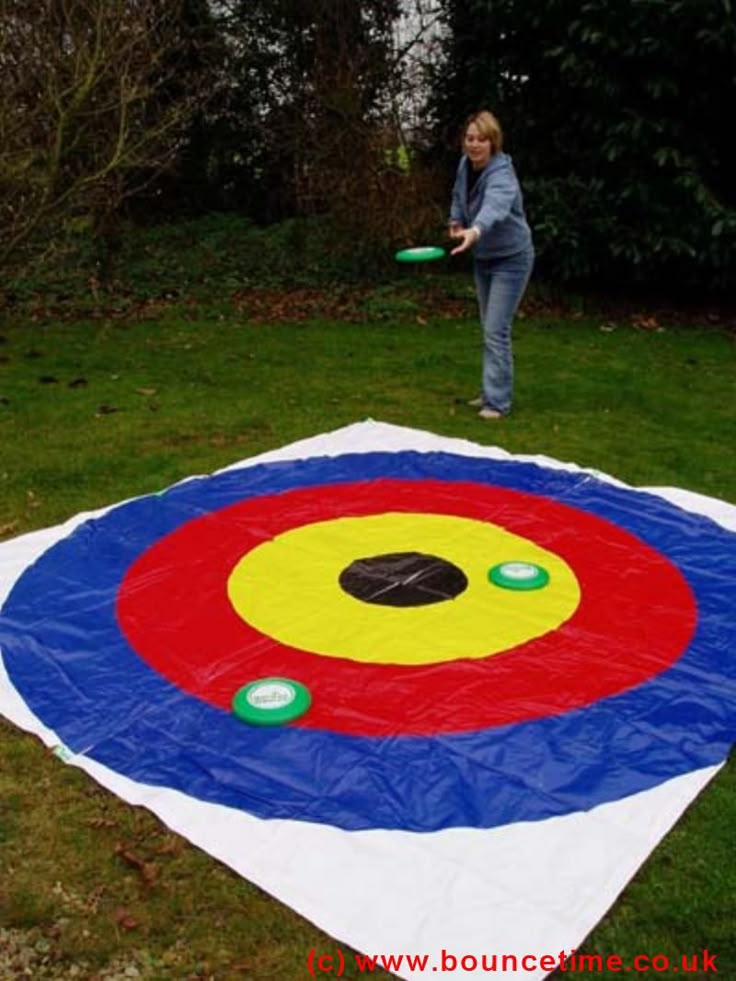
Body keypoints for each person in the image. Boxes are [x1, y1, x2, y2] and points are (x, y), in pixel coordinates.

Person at [449, 110, 534, 419]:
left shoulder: (502, 174)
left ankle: (497, 403)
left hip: (512, 259)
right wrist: (456, 221)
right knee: (489, 327)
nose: (475, 145)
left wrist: (475, 230)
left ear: (493, 142)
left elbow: (494, 207)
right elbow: (459, 197)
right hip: (484, 257)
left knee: (496, 329)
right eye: (470, 139)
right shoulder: (465, 165)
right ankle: (490, 390)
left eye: (481, 139)